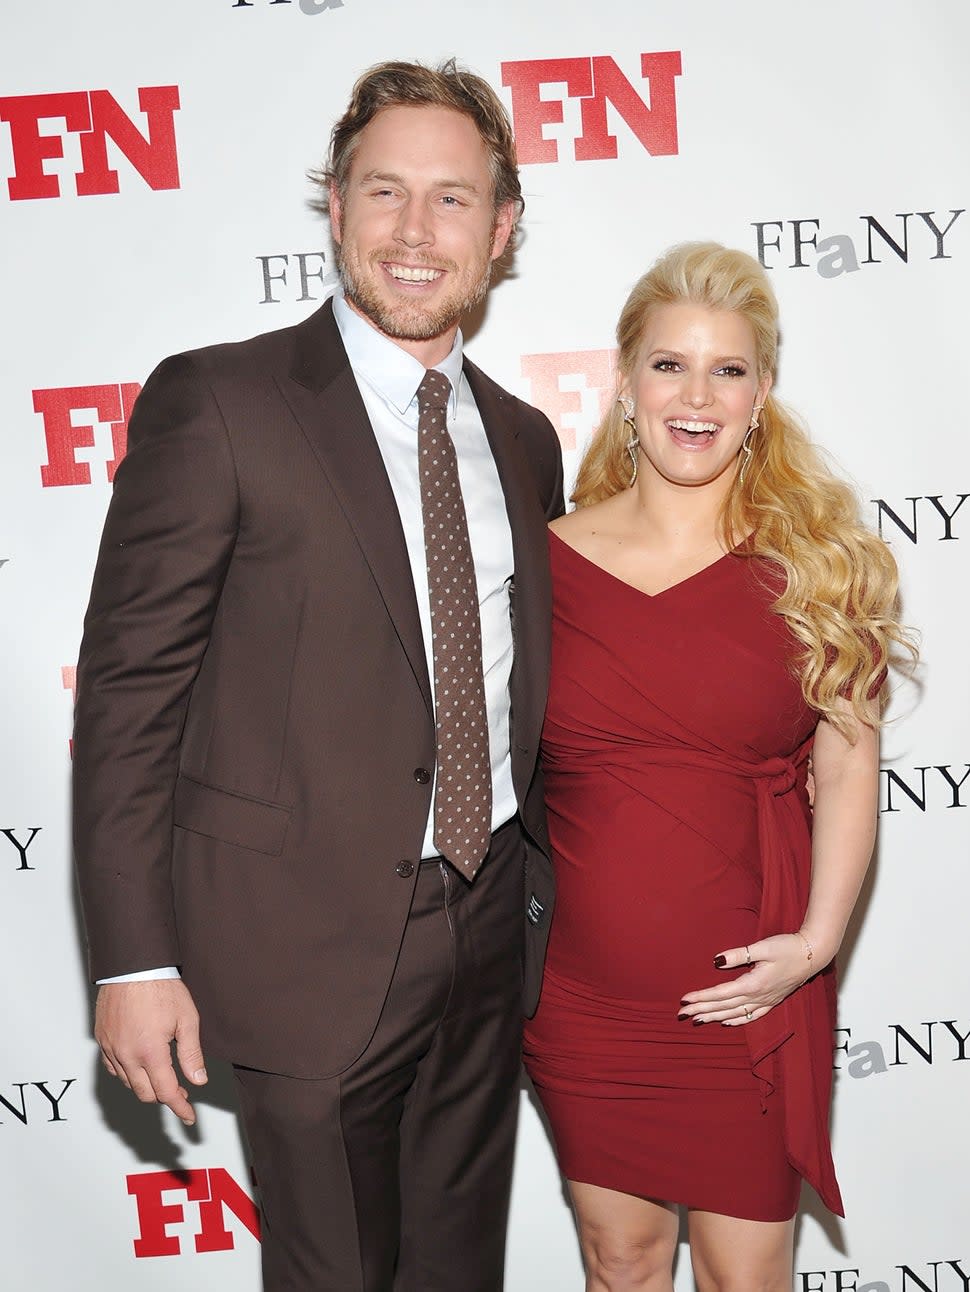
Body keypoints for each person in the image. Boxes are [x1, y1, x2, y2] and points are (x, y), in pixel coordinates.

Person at [73, 60, 564, 1292]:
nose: (414, 231)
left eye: (452, 200)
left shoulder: (522, 437)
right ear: (334, 209)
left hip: (487, 922)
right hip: (299, 941)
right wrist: (134, 960)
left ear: (500, 232)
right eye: (382, 192)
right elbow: (131, 700)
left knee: (456, 1273)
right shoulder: (222, 401)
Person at [522, 242, 914, 1291]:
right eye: (668, 365)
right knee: (620, 1261)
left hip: (749, 991)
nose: (695, 396)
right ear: (623, 379)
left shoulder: (816, 566)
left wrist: (818, 943)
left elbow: (846, 767)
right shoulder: (541, 564)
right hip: (581, 999)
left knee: (748, 1277)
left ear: (762, 394)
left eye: (727, 370)